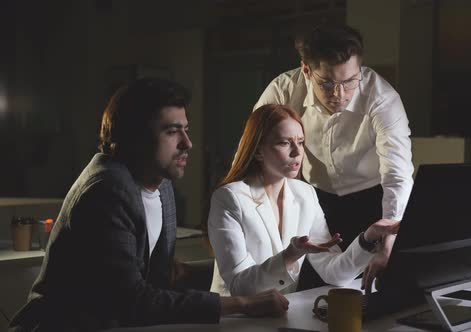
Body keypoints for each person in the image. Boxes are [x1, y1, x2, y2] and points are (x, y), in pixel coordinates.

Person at [9, 78, 288, 331]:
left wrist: (245, 271)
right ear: (135, 136)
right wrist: (243, 304)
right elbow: (132, 301)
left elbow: (164, 276)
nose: (187, 143)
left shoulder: (160, 183)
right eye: (171, 132)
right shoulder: (107, 190)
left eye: (186, 130)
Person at [253, 24, 414, 290]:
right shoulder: (283, 90)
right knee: (310, 292)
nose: (339, 94)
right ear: (306, 69)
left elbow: (397, 176)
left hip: (374, 200)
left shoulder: (382, 98)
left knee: (375, 293)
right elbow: (252, 149)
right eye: (327, 83)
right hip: (314, 198)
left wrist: (388, 244)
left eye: (350, 82)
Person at [207, 104, 399, 296]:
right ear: (258, 151)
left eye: (300, 142)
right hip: (235, 319)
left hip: (283, 314)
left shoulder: (305, 194)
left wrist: (368, 239)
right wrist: (290, 255)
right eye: (284, 143)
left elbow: (334, 272)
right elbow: (241, 286)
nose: (297, 152)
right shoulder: (229, 198)